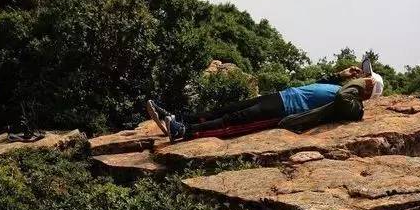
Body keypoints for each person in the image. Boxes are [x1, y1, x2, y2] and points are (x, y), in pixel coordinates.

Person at [147, 62, 384, 142]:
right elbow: (318, 86)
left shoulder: (353, 105)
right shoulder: (342, 88)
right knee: (229, 109)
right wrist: (342, 75)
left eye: (366, 78)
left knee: (235, 122)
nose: (362, 77)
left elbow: (343, 100)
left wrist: (362, 87)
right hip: (282, 96)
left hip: (286, 109)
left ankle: (184, 132)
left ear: (368, 89)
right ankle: (178, 118)